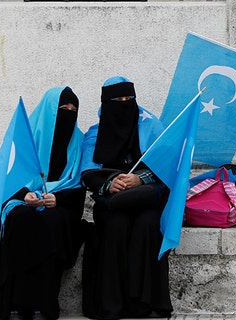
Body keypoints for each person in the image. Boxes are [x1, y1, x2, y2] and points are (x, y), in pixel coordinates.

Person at [0, 87, 87, 320]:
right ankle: (12, 303)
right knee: (20, 219)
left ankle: (44, 302)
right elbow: (4, 179)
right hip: (23, 203)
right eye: (62, 110)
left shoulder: (79, 142)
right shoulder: (24, 140)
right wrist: (24, 195)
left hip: (59, 207)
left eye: (73, 111)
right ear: (50, 112)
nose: (68, 115)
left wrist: (57, 198)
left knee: (52, 221)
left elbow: (80, 188)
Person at [80, 76, 172, 319]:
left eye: (128, 99)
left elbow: (167, 165)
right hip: (113, 202)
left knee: (148, 225)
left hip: (147, 199)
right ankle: (114, 304)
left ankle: (145, 303)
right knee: (116, 226)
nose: (123, 104)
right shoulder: (95, 133)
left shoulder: (151, 126)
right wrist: (110, 183)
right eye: (117, 100)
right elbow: (88, 172)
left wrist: (141, 179)